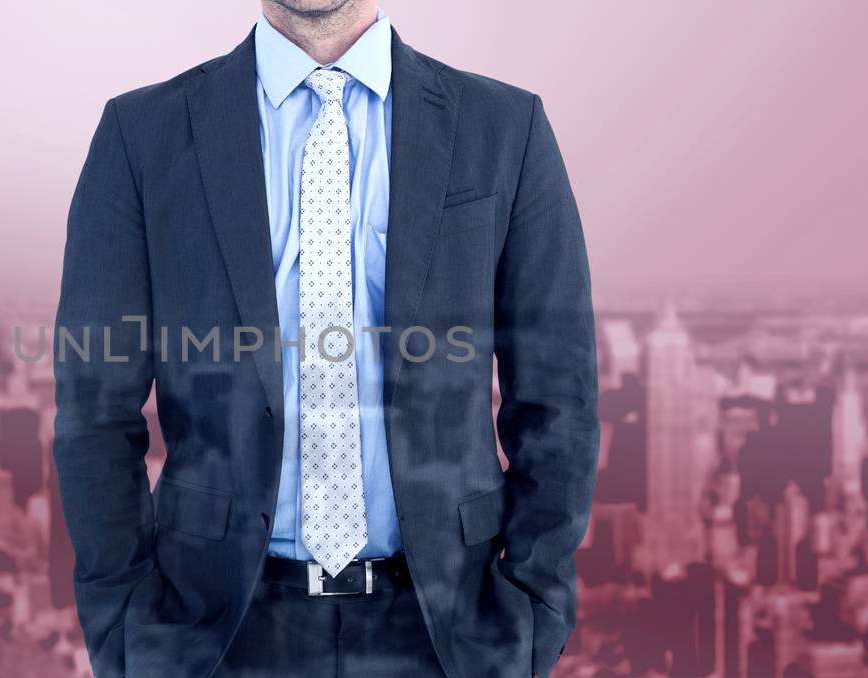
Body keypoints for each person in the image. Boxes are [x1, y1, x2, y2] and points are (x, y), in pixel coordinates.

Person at [52, 1, 598, 675]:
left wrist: (534, 615)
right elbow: (94, 412)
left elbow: (558, 398)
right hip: (213, 632)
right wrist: (127, 631)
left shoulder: (505, 129)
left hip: (452, 633)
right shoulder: (142, 134)